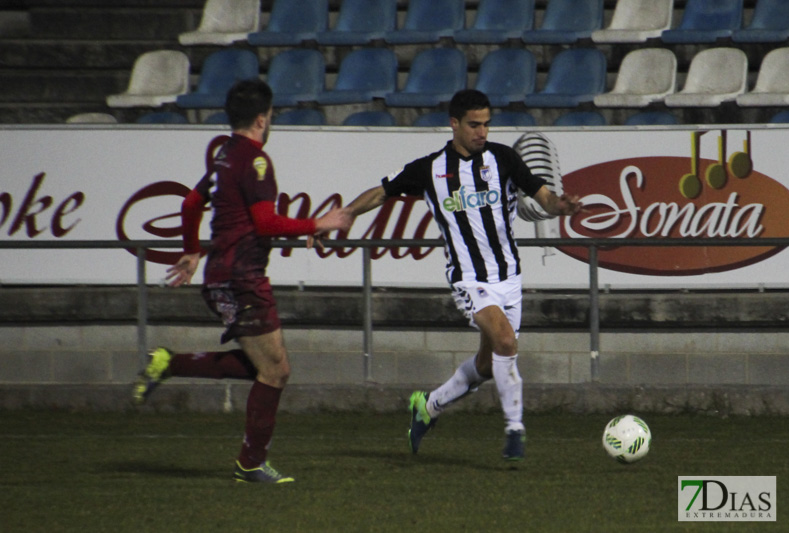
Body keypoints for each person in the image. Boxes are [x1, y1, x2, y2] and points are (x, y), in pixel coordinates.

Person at [335, 89, 582, 460]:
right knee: (506, 342)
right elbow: (382, 191)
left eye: (486, 124)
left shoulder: (504, 159)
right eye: (474, 125)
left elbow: (542, 195)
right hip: (468, 278)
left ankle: (429, 406)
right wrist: (349, 213)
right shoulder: (431, 170)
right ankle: (515, 429)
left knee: (487, 363)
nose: (482, 132)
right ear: (454, 124)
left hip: (509, 278)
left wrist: (559, 206)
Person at [132, 79, 350, 483]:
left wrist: (192, 250)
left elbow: (192, 203)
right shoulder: (255, 160)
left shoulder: (223, 155)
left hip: (223, 276)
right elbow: (265, 224)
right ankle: (250, 464)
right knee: (276, 371)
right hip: (242, 277)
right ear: (263, 119)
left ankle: (169, 362)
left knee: (262, 367)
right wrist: (319, 222)